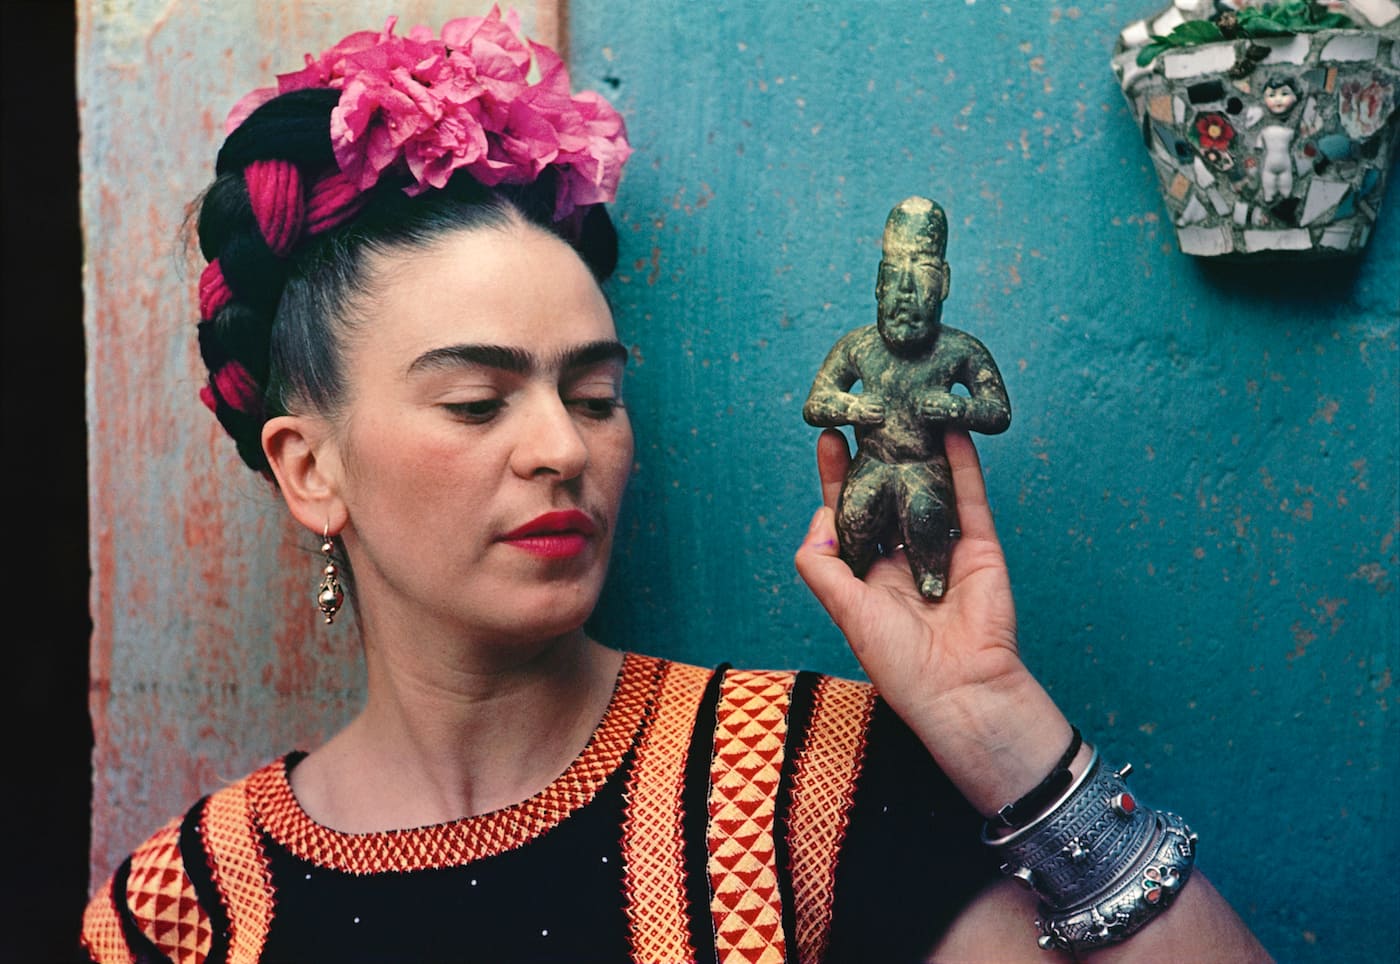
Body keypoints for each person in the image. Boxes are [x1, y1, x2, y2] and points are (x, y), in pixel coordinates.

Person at [81, 13, 1269, 963]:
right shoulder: (179, 912)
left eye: (594, 396)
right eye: (476, 402)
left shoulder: (798, 788)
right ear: (309, 467)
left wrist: (991, 721)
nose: (562, 447)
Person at [803, 197, 1011, 600]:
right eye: (895, 273)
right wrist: (851, 407)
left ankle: (930, 573)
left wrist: (958, 408)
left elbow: (998, 410)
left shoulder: (959, 351)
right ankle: (855, 564)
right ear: (879, 283)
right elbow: (816, 404)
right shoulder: (859, 346)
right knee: (856, 513)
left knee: (927, 515)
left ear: (944, 284)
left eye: (924, 272)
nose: (906, 289)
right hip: (873, 462)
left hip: (925, 466)